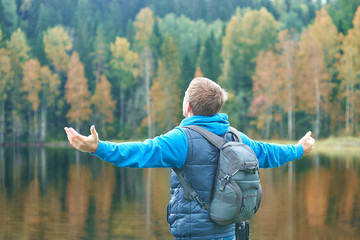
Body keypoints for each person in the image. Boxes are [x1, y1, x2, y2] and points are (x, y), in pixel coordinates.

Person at [64, 77, 315, 240]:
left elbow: (139, 152)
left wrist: (98, 148)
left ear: (188, 107)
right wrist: (299, 149)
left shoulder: (181, 139)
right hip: (229, 232)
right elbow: (271, 153)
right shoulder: (236, 137)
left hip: (194, 234)